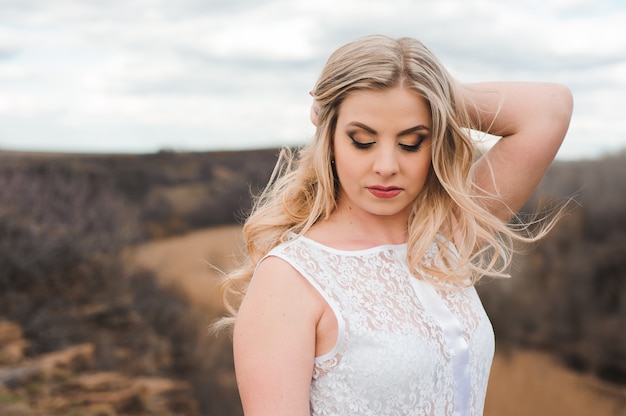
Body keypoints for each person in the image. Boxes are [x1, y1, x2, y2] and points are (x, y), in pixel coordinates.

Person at [215, 34, 573, 415]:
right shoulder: (290, 280)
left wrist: (427, 90)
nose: (386, 166)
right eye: (363, 141)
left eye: (411, 142)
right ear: (330, 140)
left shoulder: (443, 237)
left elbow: (549, 109)